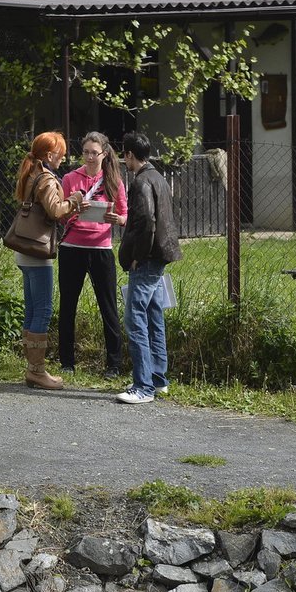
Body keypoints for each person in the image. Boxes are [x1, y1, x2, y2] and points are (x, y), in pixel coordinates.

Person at [12, 131, 83, 390]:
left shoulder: (31, 172)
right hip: (38, 252)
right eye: (61, 155)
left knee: (31, 310)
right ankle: (37, 372)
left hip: (24, 250)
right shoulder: (46, 178)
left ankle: (33, 369)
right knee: (42, 310)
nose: (62, 159)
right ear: (50, 154)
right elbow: (55, 210)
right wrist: (74, 200)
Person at [116, 131, 182, 405]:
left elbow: (146, 223)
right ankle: (158, 379)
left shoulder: (141, 182)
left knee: (135, 318)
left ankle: (143, 387)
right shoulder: (159, 178)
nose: (124, 160)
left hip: (147, 258)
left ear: (130, 155)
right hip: (162, 255)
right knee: (155, 315)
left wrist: (136, 256)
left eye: (124, 155)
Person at [58, 131, 127, 378]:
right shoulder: (69, 178)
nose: (89, 157)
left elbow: (124, 215)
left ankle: (114, 364)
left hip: (100, 248)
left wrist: (116, 219)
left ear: (104, 154)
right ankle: (66, 361)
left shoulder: (113, 180)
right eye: (85, 152)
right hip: (72, 248)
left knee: (108, 307)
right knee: (68, 305)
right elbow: (61, 214)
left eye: (93, 153)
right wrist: (75, 207)